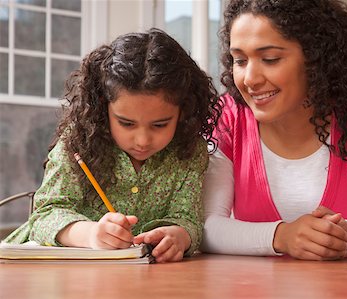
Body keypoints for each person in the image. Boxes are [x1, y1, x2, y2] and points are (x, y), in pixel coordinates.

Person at [201, 0, 347, 260]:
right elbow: (206, 227)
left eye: (270, 59)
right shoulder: (229, 116)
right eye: (239, 60)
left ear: (317, 57)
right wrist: (282, 236)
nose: (250, 79)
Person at [4, 28, 222, 263]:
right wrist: (90, 235)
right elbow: (45, 215)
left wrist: (180, 235)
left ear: (184, 111)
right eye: (126, 123)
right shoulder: (79, 141)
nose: (142, 140)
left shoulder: (189, 151)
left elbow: (187, 217)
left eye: (159, 125)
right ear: (102, 106)